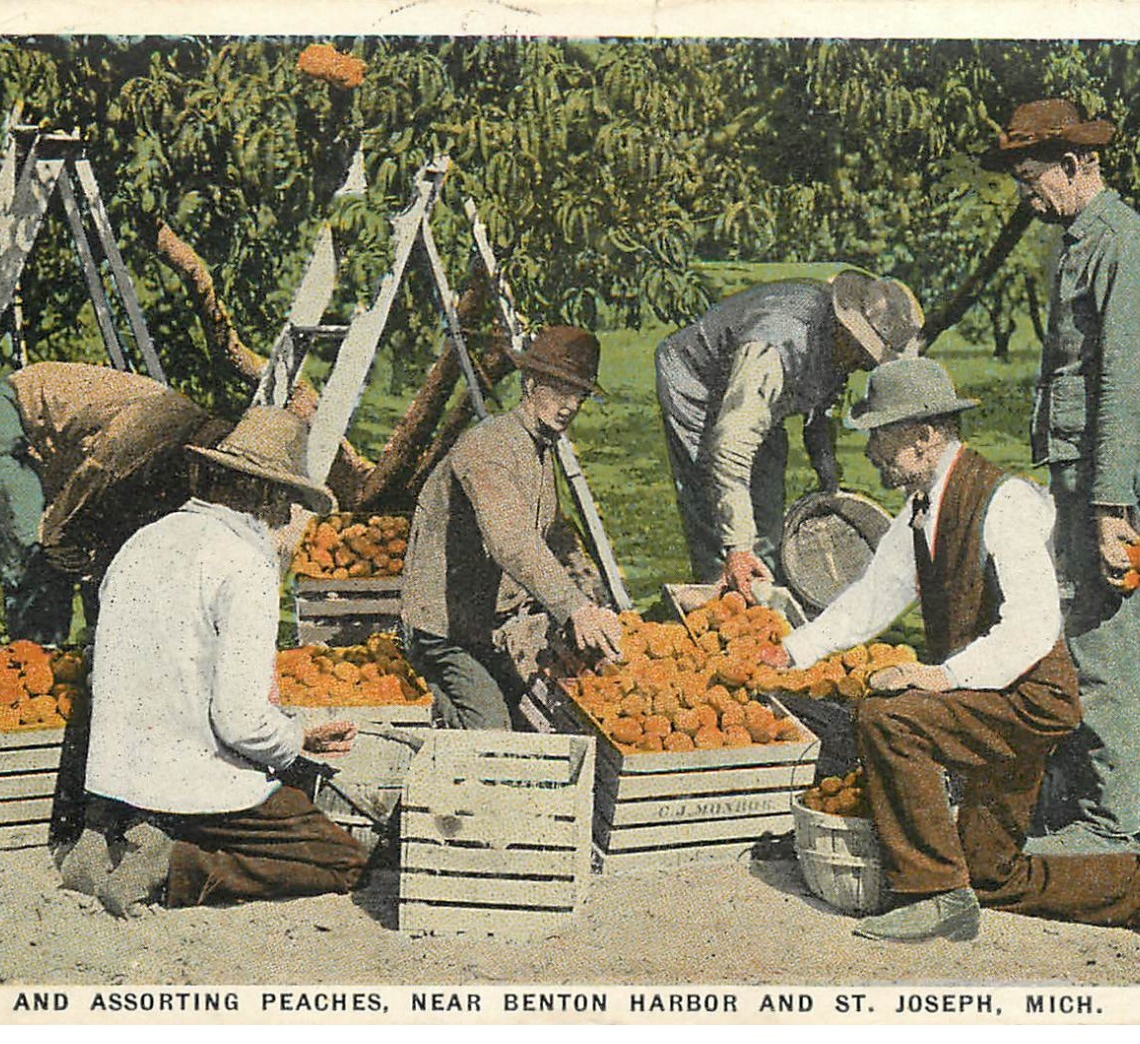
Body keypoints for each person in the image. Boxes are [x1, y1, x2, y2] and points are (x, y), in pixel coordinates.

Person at [764, 358, 1140, 942]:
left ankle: (933, 894)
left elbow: (1034, 628)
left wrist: (939, 678)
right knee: (992, 874)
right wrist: (791, 652)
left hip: (1029, 700)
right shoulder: (921, 510)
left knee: (889, 717)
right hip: (992, 698)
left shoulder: (1003, 502)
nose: (871, 454)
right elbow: (871, 597)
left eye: (881, 437)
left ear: (924, 436)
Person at [981, 99, 1140, 856]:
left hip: (1109, 474)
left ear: (1076, 163)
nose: (1026, 195)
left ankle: (1103, 823)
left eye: (1031, 177)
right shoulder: (1087, 240)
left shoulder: (1121, 243)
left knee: (1100, 645)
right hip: (1096, 468)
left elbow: (1121, 383)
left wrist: (1110, 506)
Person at [61, 407, 367, 916]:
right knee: (342, 860)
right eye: (285, 501)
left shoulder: (142, 542)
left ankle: (107, 838)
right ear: (264, 494)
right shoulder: (245, 565)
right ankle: (174, 866)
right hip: (190, 778)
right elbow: (240, 722)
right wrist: (292, 741)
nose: (285, 516)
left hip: (117, 773)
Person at [401, 326, 625, 730]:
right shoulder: (489, 448)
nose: (570, 405)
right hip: (443, 633)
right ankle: (426, 713)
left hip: (488, 631)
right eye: (559, 390)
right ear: (530, 382)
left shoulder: (539, 448)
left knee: (542, 715)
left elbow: (555, 534)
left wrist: (596, 599)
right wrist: (573, 608)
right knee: (492, 732)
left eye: (579, 395)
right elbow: (512, 540)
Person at [654, 271, 923, 602]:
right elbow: (730, 446)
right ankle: (724, 602)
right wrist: (737, 547)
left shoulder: (835, 345)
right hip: (698, 380)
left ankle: (762, 589)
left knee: (766, 495)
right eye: (861, 354)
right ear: (844, 329)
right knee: (715, 507)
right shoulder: (779, 339)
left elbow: (820, 409)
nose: (861, 365)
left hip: (757, 390)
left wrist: (827, 473)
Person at [0, 361, 231, 645]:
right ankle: (33, 667)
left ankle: (92, 659)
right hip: (11, 414)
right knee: (34, 558)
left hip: (61, 450)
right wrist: (56, 541)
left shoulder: (186, 467)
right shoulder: (152, 431)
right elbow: (85, 486)